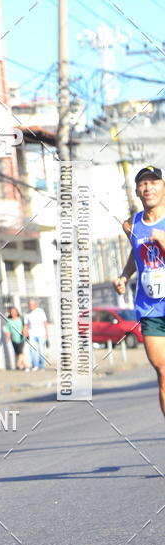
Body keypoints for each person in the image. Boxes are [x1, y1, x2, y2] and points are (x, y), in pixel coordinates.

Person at [113, 165, 165, 416]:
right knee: (163, 371)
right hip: (151, 308)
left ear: (163, 187)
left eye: (154, 182)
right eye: (143, 184)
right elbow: (136, 254)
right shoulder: (130, 225)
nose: (148, 188)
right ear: (136, 191)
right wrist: (125, 275)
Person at [23, 298, 49, 370]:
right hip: (31, 334)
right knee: (32, 350)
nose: (31, 306)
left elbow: (45, 322)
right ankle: (35, 365)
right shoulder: (27, 313)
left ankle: (41, 366)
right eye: (29, 305)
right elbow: (25, 325)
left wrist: (47, 333)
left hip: (41, 334)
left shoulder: (40, 311)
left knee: (41, 350)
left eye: (32, 304)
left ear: (35, 305)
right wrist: (25, 333)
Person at [3, 306, 26, 370]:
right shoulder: (9, 321)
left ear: (17, 312)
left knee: (20, 351)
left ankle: (18, 365)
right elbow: (7, 330)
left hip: (21, 338)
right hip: (13, 339)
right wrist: (8, 337)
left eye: (14, 312)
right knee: (17, 353)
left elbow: (25, 326)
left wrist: (25, 333)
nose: (13, 313)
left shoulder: (20, 319)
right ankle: (25, 366)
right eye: (11, 312)